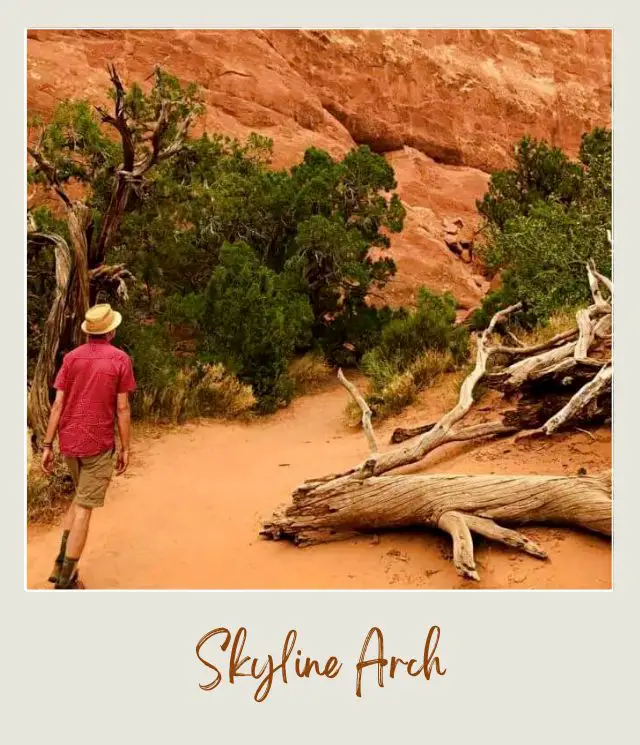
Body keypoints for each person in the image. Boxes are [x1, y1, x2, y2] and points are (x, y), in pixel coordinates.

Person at [41, 303, 136, 589]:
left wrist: (47, 444)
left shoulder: (70, 359)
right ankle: (67, 581)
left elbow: (57, 403)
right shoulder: (120, 359)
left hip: (69, 441)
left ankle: (60, 564)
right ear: (111, 330)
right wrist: (126, 448)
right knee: (84, 507)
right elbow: (122, 408)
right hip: (98, 444)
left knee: (78, 499)